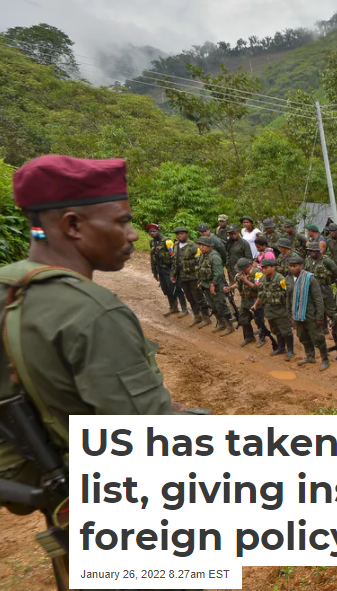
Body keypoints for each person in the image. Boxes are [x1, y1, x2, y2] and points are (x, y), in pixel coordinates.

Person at [0, 155, 195, 591]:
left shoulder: (8, 289)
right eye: (122, 221)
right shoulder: (93, 312)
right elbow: (151, 444)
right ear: (73, 225)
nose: (132, 235)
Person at [285, 254, 328, 370]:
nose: (292, 268)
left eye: (294, 266)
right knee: (302, 336)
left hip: (310, 313)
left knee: (318, 337)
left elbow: (318, 298)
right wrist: (289, 313)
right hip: (296, 314)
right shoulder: (288, 279)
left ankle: (325, 359)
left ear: (301, 266)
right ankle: (310, 356)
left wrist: (320, 316)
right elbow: (288, 297)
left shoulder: (310, 279)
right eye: (290, 266)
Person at [253, 257, 294, 359]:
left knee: (286, 331)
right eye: (263, 268)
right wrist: (255, 304)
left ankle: (290, 350)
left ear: (273, 267)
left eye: (266, 267)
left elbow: (289, 294)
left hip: (281, 310)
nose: (264, 270)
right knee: (276, 330)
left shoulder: (280, 279)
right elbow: (261, 294)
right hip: (269, 310)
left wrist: (291, 310)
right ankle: (281, 348)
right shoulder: (262, 279)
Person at [304, 243, 337, 345]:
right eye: (310, 251)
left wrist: (331, 282)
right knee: (317, 311)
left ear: (318, 251)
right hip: (312, 291)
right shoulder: (307, 260)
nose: (312, 253)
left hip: (325, 290)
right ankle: (323, 330)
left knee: (331, 312)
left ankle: (335, 331)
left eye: (314, 251)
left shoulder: (326, 261)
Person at [196, 238, 232, 334]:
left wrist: (213, 284)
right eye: (199, 245)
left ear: (209, 246)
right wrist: (200, 282)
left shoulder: (214, 256)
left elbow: (219, 273)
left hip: (216, 285)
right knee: (213, 306)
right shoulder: (203, 255)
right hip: (206, 284)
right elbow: (200, 269)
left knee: (221, 306)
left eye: (203, 245)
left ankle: (229, 326)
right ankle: (221, 323)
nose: (200, 247)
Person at [146, 223, 184, 316]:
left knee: (176, 288)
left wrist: (174, 272)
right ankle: (173, 307)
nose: (152, 233)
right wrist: (154, 271)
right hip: (160, 270)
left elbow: (174, 257)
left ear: (159, 231)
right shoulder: (152, 242)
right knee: (166, 289)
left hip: (169, 269)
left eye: (154, 231)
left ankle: (184, 309)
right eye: (150, 232)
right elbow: (152, 258)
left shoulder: (167, 241)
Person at [229, 258, 262, 347]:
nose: (241, 272)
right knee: (243, 318)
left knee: (258, 320)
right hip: (245, 299)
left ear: (249, 266)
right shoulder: (242, 274)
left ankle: (262, 338)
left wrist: (246, 281)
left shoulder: (257, 273)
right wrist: (230, 288)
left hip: (255, 300)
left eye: (243, 269)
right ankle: (249, 337)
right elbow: (238, 283)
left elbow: (258, 288)